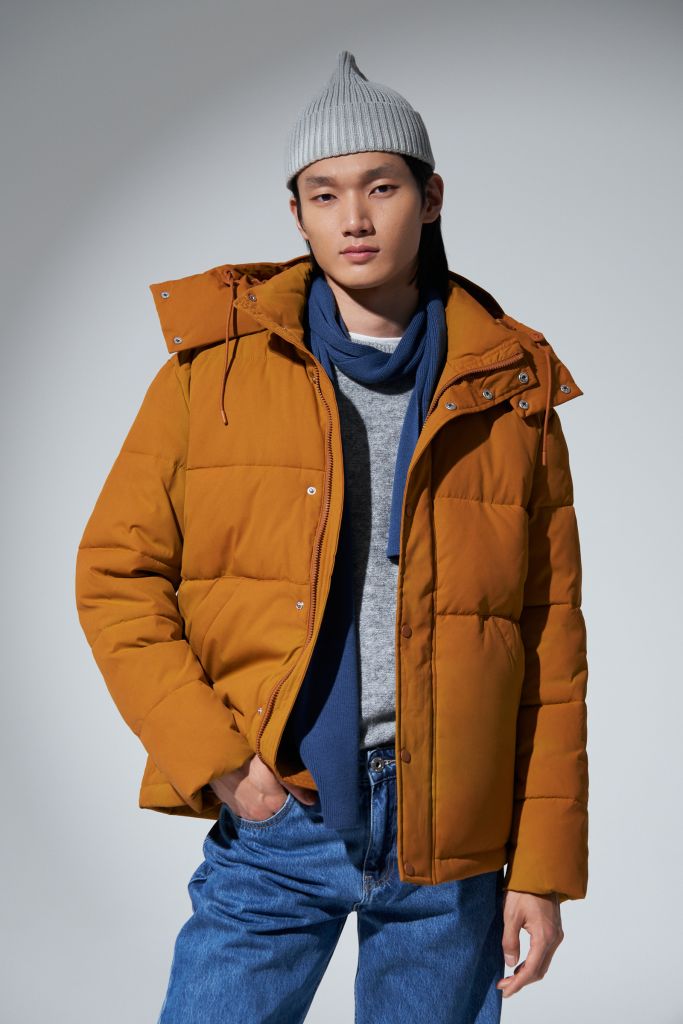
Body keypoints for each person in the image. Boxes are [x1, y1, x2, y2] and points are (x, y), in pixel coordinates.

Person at [75, 50, 589, 1023]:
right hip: (281, 815)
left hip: (452, 839)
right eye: (324, 194)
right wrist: (224, 764)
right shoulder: (210, 376)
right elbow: (115, 576)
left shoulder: (510, 394)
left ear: (429, 198)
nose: (353, 218)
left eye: (380, 187)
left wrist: (541, 867)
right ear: (298, 215)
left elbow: (547, 643)